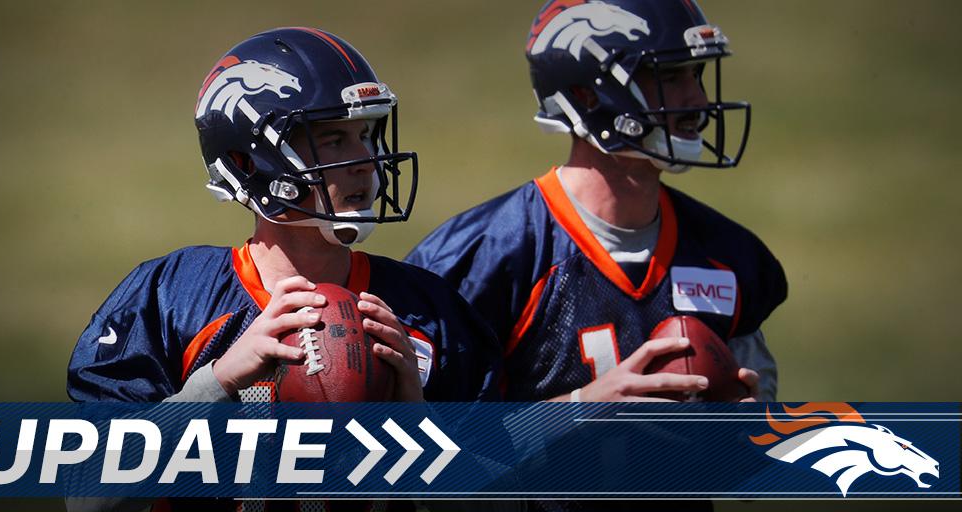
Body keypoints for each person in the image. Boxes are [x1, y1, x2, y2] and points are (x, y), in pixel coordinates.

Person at [66, 27, 499, 510]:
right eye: (332, 139)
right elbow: (88, 498)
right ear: (248, 162)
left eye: (364, 135)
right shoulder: (173, 297)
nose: (365, 160)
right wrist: (219, 381)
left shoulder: (426, 313)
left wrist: (421, 434)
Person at [406, 0, 786, 405]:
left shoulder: (728, 255)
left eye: (696, 75)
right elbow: (431, 437)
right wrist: (578, 409)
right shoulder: (482, 260)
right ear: (587, 95)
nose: (697, 100)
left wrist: (740, 427)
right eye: (670, 77)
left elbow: (764, 415)